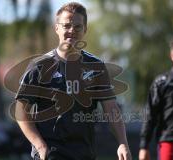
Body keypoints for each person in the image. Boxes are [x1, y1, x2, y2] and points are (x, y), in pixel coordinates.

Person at [15, 2, 131, 160]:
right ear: (57, 28)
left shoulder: (96, 66)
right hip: (51, 154)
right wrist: (40, 145)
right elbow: (21, 111)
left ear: (85, 29)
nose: (72, 31)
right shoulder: (39, 66)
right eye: (67, 25)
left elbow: (111, 108)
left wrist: (123, 142)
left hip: (84, 153)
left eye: (77, 26)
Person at [139, 37, 173, 160]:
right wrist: (144, 146)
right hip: (169, 144)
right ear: (172, 55)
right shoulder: (161, 82)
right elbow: (150, 115)